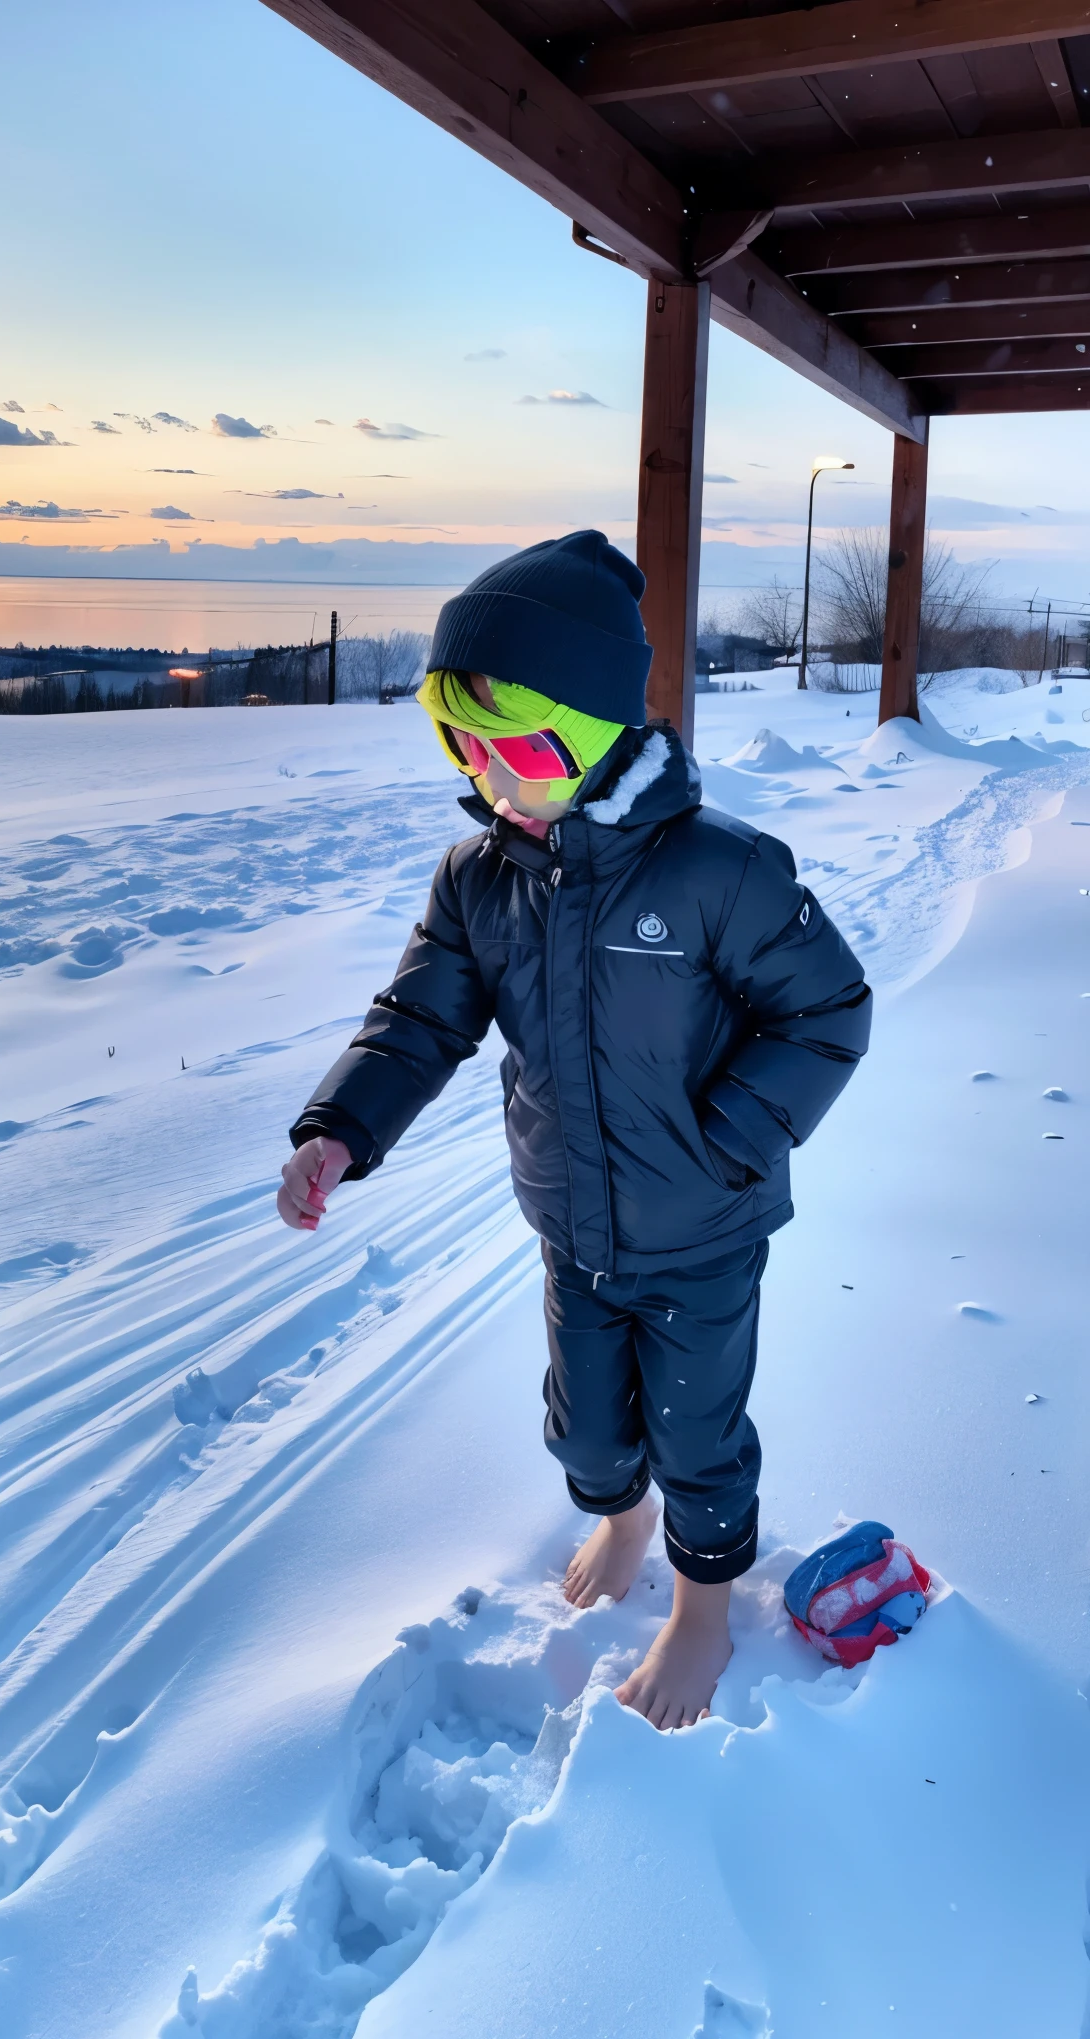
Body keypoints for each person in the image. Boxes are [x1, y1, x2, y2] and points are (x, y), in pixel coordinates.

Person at [276, 531, 872, 1728]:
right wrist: (340, 1125)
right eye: (462, 747)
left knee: (696, 1428)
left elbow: (828, 1007)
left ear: (597, 728)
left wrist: (729, 1139)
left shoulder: (720, 870)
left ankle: (701, 1612)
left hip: (701, 1225)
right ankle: (618, 1511)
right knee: (590, 1428)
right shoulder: (476, 880)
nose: (489, 777)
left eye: (517, 748)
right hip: (569, 1220)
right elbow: (416, 1021)